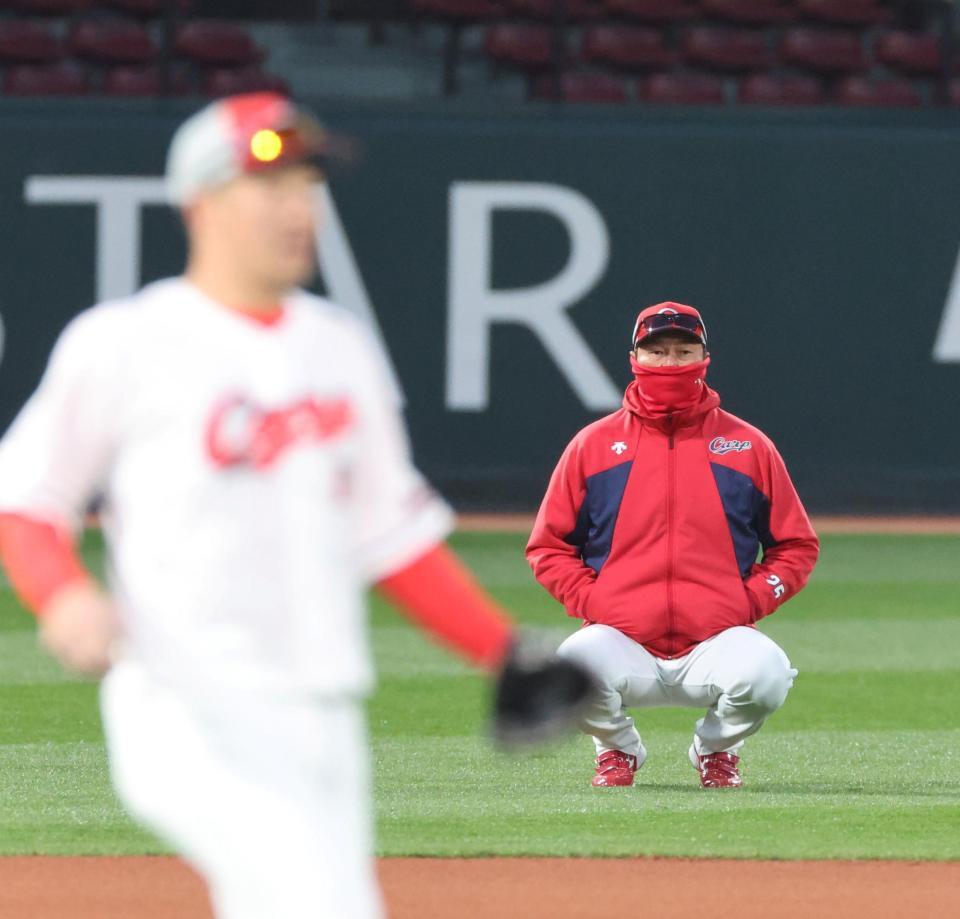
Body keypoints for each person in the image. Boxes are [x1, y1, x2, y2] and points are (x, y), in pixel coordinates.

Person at [0, 92, 585, 918]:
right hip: (185, 702)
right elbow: (27, 497)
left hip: (322, 705)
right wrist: (61, 594)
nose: (298, 207)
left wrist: (501, 649)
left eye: (307, 185)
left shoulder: (336, 346)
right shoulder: (125, 343)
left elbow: (393, 535)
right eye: (269, 184)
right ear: (200, 203)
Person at [526, 302, 819, 788]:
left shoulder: (746, 445)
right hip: (622, 636)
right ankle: (618, 750)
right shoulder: (593, 446)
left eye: (684, 351)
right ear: (634, 356)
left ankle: (717, 749)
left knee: (766, 673)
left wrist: (751, 599)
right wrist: (594, 600)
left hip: (715, 637)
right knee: (568, 672)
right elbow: (549, 547)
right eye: (657, 351)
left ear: (705, 357)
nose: (670, 363)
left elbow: (796, 546)